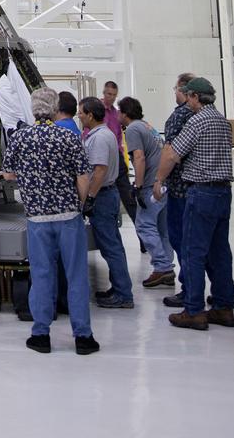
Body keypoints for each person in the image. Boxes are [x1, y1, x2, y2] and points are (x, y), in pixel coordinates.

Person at [3, 86, 98, 355]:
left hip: (38, 218)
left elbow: (8, 174)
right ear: (56, 108)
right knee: (76, 275)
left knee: (42, 275)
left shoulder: (21, 138)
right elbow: (83, 176)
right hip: (68, 217)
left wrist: (30, 177)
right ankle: (83, 337)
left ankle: (41, 334)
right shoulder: (68, 136)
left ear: (33, 110)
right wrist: (78, 204)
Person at [153, 77, 234, 330]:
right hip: (223, 193)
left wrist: (158, 180)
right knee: (220, 251)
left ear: (196, 97)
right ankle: (224, 307)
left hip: (200, 193)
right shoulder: (222, 121)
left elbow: (172, 154)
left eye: (188, 96)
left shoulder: (196, 121)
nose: (186, 100)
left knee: (192, 252)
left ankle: (193, 311)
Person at [78, 97, 133, 309]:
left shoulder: (100, 138)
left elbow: (99, 171)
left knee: (110, 247)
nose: (79, 115)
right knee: (113, 245)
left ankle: (123, 295)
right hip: (106, 195)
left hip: (102, 196)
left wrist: (89, 197)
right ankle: (120, 287)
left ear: (91, 115)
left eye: (81, 112)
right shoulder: (104, 134)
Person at [118, 96, 174, 287]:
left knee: (144, 225)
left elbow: (139, 158)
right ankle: (167, 267)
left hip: (150, 184)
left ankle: (162, 267)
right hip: (163, 183)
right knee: (162, 229)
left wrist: (138, 186)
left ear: (124, 114)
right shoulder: (147, 126)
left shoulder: (133, 129)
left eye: (119, 112)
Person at [160, 72, 194, 308]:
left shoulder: (179, 117)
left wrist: (158, 179)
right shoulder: (207, 116)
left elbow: (171, 153)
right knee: (206, 243)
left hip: (180, 190)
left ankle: (189, 290)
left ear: (182, 91)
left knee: (181, 240)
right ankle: (223, 294)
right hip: (200, 188)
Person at [99, 80, 137, 228]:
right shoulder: (97, 110)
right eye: (109, 94)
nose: (111, 97)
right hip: (102, 157)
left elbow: (119, 136)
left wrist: (121, 154)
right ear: (103, 92)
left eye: (114, 95)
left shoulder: (116, 114)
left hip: (117, 158)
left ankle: (142, 237)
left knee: (127, 196)